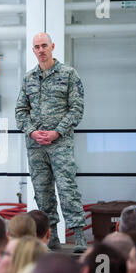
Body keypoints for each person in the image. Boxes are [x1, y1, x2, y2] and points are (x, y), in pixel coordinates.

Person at [15, 32, 87, 253]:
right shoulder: (28, 78)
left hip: (60, 144)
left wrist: (57, 132)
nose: (41, 50)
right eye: (36, 46)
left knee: (67, 189)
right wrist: (32, 132)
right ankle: (51, 234)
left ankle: (79, 237)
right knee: (42, 192)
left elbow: (77, 108)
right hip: (36, 147)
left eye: (44, 45)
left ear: (52, 46)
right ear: (33, 50)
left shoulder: (68, 74)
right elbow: (20, 111)